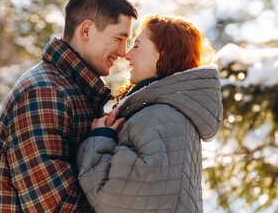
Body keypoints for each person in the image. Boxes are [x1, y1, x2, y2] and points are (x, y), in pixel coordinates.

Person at [0, 0, 137, 212]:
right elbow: (53, 205)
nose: (123, 52)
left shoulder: (73, 90)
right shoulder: (44, 93)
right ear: (86, 30)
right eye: (119, 38)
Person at [77, 14, 223, 212]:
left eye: (136, 46)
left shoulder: (160, 116)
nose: (127, 55)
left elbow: (116, 198)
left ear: (164, 53)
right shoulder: (166, 111)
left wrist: (100, 139)